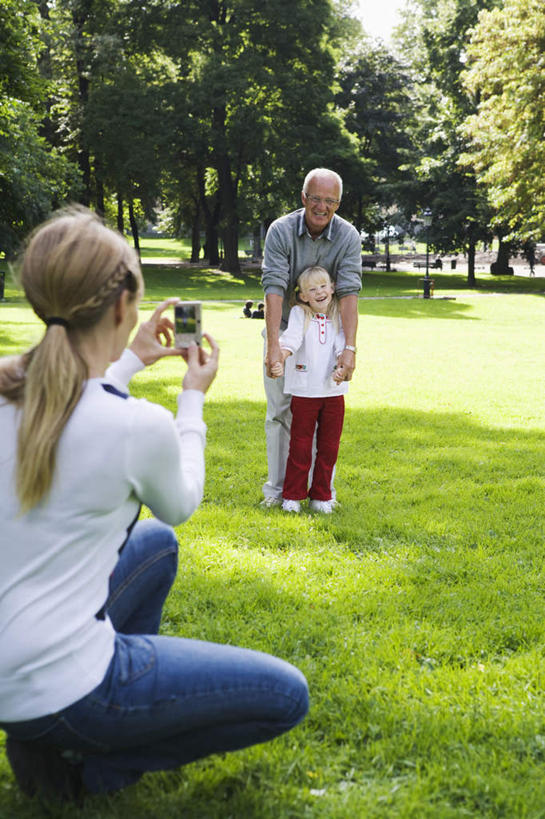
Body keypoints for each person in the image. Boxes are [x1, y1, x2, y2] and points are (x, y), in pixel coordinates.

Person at [0, 207, 308, 803]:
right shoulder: (134, 426)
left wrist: (128, 362)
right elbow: (180, 503)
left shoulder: (12, 383)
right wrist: (191, 400)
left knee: (154, 547)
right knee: (286, 695)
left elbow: (76, 405)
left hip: (9, 671)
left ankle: (45, 738)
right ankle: (88, 768)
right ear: (123, 307)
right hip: (62, 683)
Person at [261, 168, 362, 507]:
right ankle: (279, 492)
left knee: (324, 412)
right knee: (281, 411)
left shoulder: (348, 236)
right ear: (304, 197)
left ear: (338, 203)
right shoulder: (281, 230)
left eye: (330, 201)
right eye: (316, 198)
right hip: (286, 327)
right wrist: (274, 345)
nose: (322, 206)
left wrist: (349, 348)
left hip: (327, 335)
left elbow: (349, 292)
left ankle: (321, 494)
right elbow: (274, 286)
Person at [271, 267, 347, 514]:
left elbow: (342, 344)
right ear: (303, 296)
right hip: (305, 392)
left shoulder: (340, 313)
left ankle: (321, 496)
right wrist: (281, 356)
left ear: (332, 288)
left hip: (333, 392)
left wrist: (341, 367)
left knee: (329, 447)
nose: (319, 292)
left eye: (323, 286)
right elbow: (292, 339)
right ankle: (292, 495)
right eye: (312, 289)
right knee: (300, 447)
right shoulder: (299, 313)